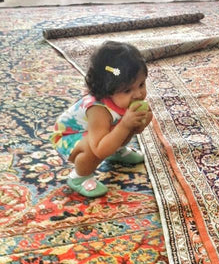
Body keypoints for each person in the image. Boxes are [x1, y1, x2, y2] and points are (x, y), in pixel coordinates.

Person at [50, 40, 152, 198]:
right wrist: (125, 125)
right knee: (96, 146)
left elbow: (134, 129)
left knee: (121, 128)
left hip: (100, 133)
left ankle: (116, 151)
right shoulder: (98, 110)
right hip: (69, 137)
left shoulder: (124, 100)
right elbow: (99, 149)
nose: (138, 94)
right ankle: (79, 177)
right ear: (107, 89)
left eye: (141, 84)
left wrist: (140, 123)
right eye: (127, 90)